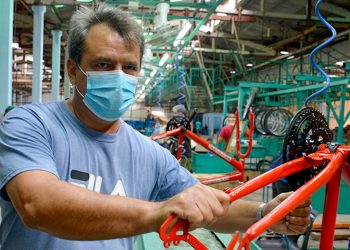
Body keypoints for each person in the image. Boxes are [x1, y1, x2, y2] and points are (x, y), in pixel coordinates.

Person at [0, 4, 311, 250]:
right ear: (73, 70)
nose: (119, 76)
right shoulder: (30, 124)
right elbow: (37, 205)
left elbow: (205, 205)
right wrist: (155, 212)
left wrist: (266, 214)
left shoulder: (149, 154)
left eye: (129, 67)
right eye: (104, 65)